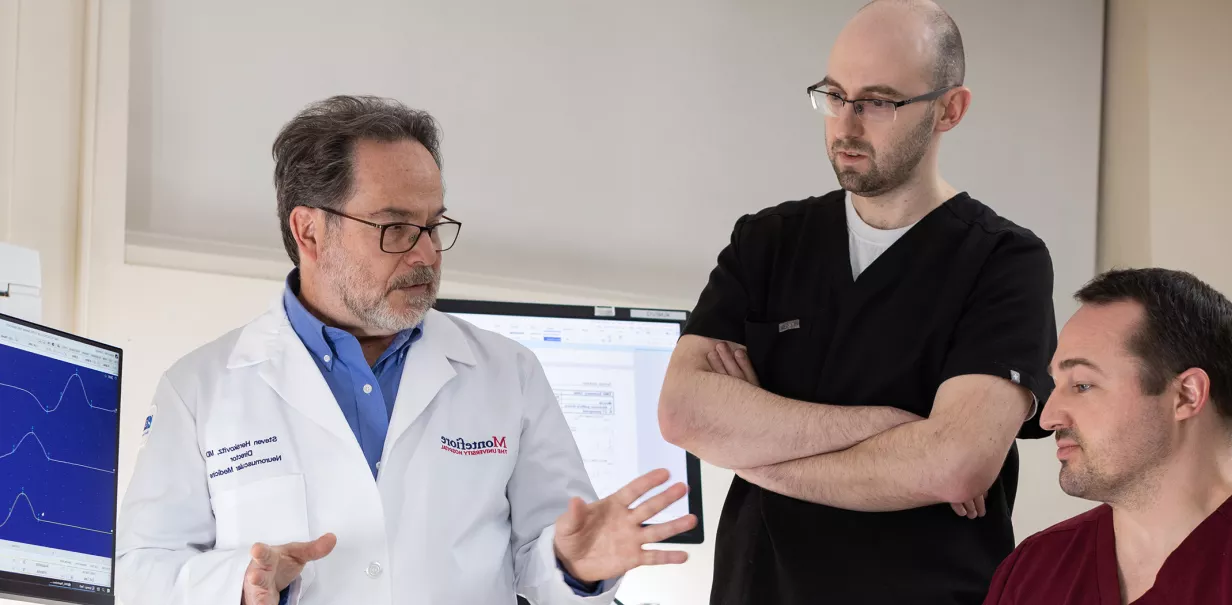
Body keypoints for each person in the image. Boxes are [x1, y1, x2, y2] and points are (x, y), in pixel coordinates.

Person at [116, 95, 696, 605]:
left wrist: (573, 565)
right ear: (309, 231)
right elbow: (141, 573)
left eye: (433, 225)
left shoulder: (508, 372)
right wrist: (239, 586)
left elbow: (550, 555)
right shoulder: (200, 388)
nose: (427, 255)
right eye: (395, 228)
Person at [657, 1, 1057, 603]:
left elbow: (956, 465)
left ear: (949, 109)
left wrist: (751, 454)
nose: (845, 125)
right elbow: (683, 414)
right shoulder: (767, 242)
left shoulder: (1003, 261)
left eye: (877, 102)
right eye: (834, 96)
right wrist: (890, 428)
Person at [983, 268, 1232, 604]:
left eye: (1083, 385)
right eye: (1055, 385)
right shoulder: (1031, 571)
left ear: (1186, 395)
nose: (1048, 417)